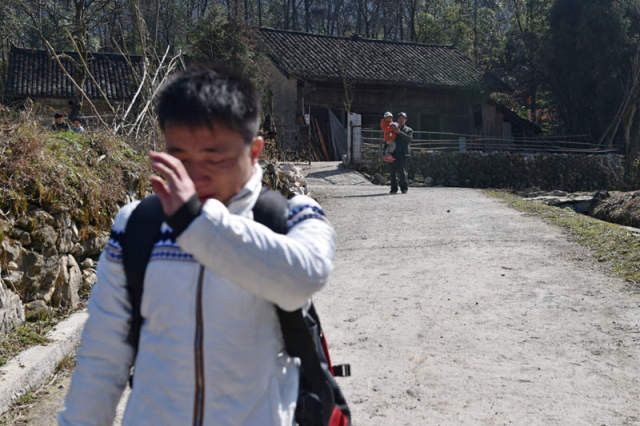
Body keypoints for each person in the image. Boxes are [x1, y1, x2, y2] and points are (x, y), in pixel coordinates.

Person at [58, 67, 336, 425]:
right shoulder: (136, 225)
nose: (194, 176)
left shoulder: (294, 216)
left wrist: (196, 224)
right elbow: (103, 354)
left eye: (214, 158)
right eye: (180, 158)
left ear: (254, 151)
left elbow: (302, 280)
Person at [389, 111, 413, 194]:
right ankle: (393, 188)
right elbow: (388, 138)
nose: (401, 120)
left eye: (403, 119)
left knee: (402, 172)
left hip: (403, 153)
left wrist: (399, 132)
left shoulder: (408, 130)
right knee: (392, 172)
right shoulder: (392, 128)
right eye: (399, 118)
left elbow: (409, 139)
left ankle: (404, 188)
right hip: (393, 152)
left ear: (405, 120)